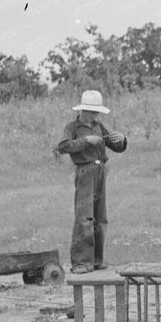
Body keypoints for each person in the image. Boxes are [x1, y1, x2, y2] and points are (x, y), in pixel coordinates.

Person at [55, 89, 128, 273]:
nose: (95, 115)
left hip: (100, 170)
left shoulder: (98, 125)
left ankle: (97, 260)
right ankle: (81, 262)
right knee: (84, 216)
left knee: (100, 216)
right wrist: (86, 141)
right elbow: (63, 146)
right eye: (92, 111)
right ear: (82, 110)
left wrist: (121, 140)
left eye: (97, 112)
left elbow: (114, 145)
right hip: (85, 171)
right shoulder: (72, 127)